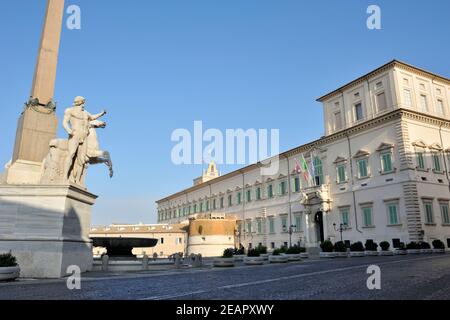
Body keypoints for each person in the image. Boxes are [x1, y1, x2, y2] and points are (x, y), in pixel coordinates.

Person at [62, 96, 106, 184]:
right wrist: (69, 130)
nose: (84, 104)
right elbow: (64, 122)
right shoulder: (70, 110)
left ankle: (77, 180)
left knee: (81, 159)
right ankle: (64, 176)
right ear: (79, 102)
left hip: (84, 136)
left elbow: (92, 117)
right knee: (71, 154)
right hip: (75, 134)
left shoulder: (85, 112)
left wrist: (102, 113)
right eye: (83, 102)